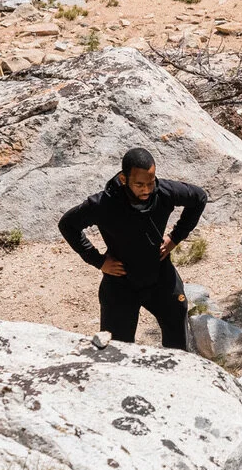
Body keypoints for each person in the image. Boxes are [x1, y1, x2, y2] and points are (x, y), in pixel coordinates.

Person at [57, 148, 207, 351]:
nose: (146, 189)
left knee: (177, 339)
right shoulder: (104, 204)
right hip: (121, 283)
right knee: (116, 351)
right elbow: (68, 224)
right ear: (124, 178)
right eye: (139, 184)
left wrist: (175, 237)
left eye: (150, 182)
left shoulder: (164, 193)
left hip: (159, 276)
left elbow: (199, 198)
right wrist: (98, 261)